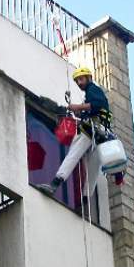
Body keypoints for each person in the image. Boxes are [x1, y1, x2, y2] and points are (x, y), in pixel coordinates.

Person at [38, 66, 112, 196]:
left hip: (91, 130)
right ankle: (85, 198)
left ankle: (55, 184)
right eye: (77, 81)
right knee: (93, 167)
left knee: (73, 155)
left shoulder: (92, 89)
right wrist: (80, 112)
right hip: (100, 134)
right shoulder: (91, 93)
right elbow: (95, 107)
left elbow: (97, 104)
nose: (79, 83)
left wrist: (77, 107)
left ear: (89, 78)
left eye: (81, 79)